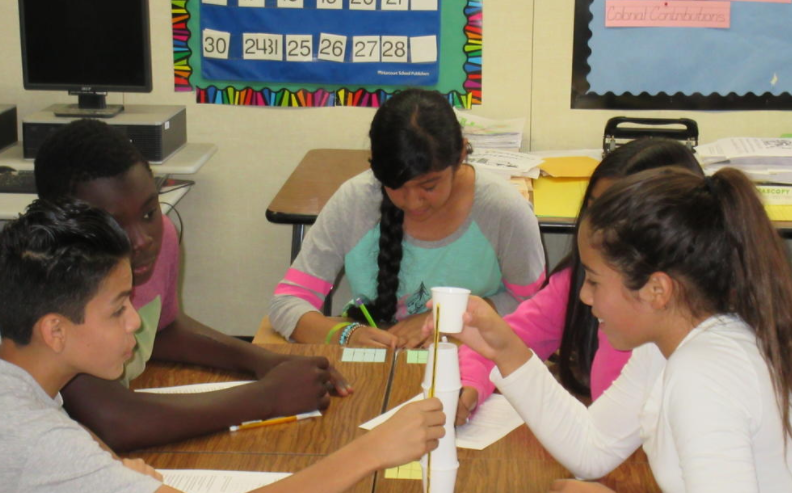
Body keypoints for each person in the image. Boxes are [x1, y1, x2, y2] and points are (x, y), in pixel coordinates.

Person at [0, 198, 445, 493]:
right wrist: (372, 451)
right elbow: (47, 450)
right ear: (54, 331)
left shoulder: (25, 383)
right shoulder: (35, 438)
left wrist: (105, 474)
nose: (136, 322)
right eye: (118, 309)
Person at [435, 167, 792, 491]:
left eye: (593, 280)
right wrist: (506, 350)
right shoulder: (666, 345)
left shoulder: (703, 375)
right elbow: (593, 446)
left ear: (657, 290)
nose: (583, 296)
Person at [33, 119, 351, 452]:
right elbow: (116, 421)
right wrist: (268, 396)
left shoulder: (159, 238)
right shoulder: (50, 285)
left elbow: (161, 331)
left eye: (148, 212)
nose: (142, 240)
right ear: (61, 228)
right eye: (113, 223)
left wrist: (266, 362)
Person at [270, 88, 545, 348]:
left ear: (461, 154)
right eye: (395, 186)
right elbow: (288, 302)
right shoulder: (355, 201)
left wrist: (447, 321)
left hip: (471, 360)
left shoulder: (503, 210)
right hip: (379, 360)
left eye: (429, 186)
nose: (412, 202)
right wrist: (344, 335)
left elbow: (534, 307)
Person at [456, 138, 703, 424]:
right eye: (595, 208)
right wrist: (471, 384)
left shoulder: (702, 341)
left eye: (620, 217)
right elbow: (505, 340)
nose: (600, 228)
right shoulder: (579, 282)